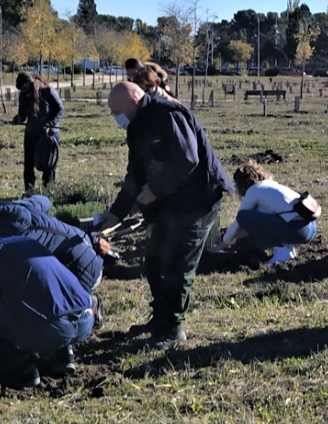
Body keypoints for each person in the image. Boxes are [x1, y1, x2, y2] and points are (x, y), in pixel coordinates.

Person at [94, 81, 233, 350]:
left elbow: (187, 159)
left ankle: (173, 329)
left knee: (177, 265)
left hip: (198, 200)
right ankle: (159, 319)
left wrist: (156, 188)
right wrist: (116, 213)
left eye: (116, 111)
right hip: (173, 202)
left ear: (134, 100)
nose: (115, 118)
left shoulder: (168, 115)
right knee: (155, 261)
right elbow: (135, 175)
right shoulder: (136, 126)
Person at [0, 235, 94, 389]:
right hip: (86, 318)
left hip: (51, 330)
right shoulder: (22, 240)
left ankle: (18, 369)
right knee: (38, 294)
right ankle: (62, 356)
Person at [0, 196, 104, 295]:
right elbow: (45, 201)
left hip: (80, 275)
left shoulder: (2, 244)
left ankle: (86, 311)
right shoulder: (14, 211)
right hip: (90, 252)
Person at [209, 161, 318, 267]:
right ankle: (288, 248)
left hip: (298, 230)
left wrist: (223, 245)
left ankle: (282, 251)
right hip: (310, 227)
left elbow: (240, 221)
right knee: (269, 218)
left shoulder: (253, 191)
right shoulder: (270, 186)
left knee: (244, 216)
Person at [14, 72, 64, 191]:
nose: (23, 91)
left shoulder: (47, 92)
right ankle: (29, 193)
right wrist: (19, 119)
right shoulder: (23, 96)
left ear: (30, 83)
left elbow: (60, 109)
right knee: (28, 165)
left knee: (48, 166)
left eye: (24, 87)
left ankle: (49, 193)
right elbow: (22, 115)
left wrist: (49, 124)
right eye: (21, 89)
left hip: (49, 135)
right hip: (31, 133)